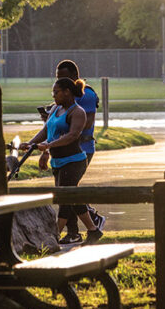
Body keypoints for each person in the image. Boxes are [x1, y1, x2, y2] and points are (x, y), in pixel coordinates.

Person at [20, 78, 103, 246]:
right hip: (58, 162)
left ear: (67, 92)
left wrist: (49, 145)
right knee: (70, 198)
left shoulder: (77, 112)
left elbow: (72, 136)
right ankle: (94, 230)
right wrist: (30, 143)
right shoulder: (55, 108)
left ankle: (53, 237)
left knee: (64, 199)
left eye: (56, 92)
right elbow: (46, 130)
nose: (53, 95)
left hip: (74, 161)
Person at [39, 59, 106, 234]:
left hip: (82, 149)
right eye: (58, 77)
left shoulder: (86, 96)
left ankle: (65, 232)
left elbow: (86, 123)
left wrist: (66, 123)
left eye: (64, 77)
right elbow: (49, 130)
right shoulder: (58, 106)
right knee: (68, 192)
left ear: (74, 76)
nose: (60, 81)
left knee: (67, 193)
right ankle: (80, 230)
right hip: (60, 152)